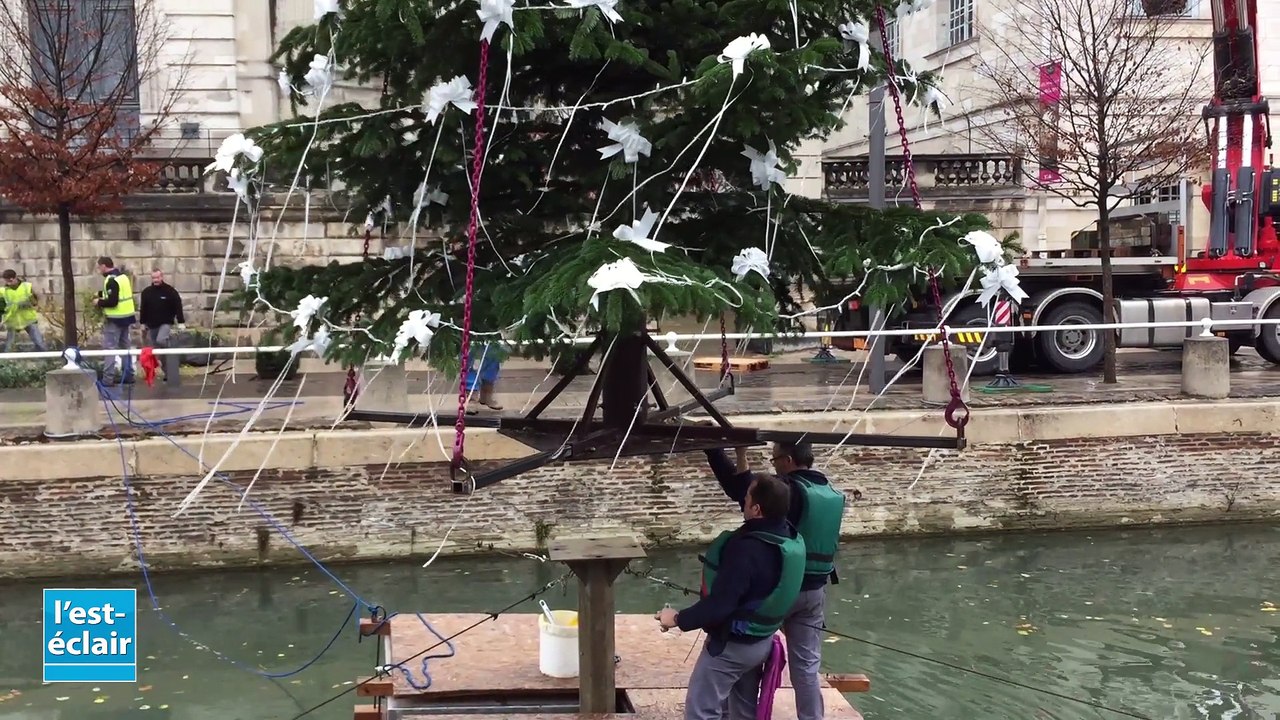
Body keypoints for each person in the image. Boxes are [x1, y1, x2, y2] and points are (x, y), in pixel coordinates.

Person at [704, 442, 846, 720]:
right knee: (806, 667)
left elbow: (742, 492)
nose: (774, 465)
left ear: (788, 460)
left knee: (747, 656)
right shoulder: (830, 493)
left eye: (775, 459)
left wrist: (719, 451)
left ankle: (736, 715)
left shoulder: (789, 490)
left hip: (781, 589)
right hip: (815, 592)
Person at [656, 474, 805, 720]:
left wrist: (676, 618)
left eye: (745, 500)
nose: (742, 502)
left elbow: (720, 606)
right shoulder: (787, 535)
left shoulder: (746, 550)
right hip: (761, 642)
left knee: (700, 711)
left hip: (732, 647)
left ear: (756, 509)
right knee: (742, 712)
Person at [92, 256, 136, 385]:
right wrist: (101, 294)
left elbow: (112, 301)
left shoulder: (111, 280)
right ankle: (128, 375)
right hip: (126, 317)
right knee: (125, 347)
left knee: (110, 349)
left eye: (99, 267)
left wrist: (98, 302)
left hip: (115, 319)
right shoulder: (122, 277)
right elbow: (118, 294)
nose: (99, 270)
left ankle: (107, 379)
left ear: (104, 266)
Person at [0, 269, 47, 352]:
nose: (9, 282)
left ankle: (47, 361)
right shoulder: (3, 292)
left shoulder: (27, 287)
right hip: (13, 322)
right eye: (7, 280)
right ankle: (6, 363)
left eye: (11, 279)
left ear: (15, 277)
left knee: (40, 343)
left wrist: (32, 301)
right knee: (9, 347)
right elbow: (1, 307)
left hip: (28, 320)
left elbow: (36, 301)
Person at [139, 269, 186, 348]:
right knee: (155, 346)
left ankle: (172, 348)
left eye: (157, 278)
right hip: (152, 324)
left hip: (165, 322)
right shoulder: (146, 292)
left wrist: (181, 321)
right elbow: (143, 308)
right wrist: (142, 323)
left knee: (161, 340)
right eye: (153, 278)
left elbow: (178, 305)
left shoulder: (170, 291)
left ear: (162, 277)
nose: (156, 280)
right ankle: (160, 360)